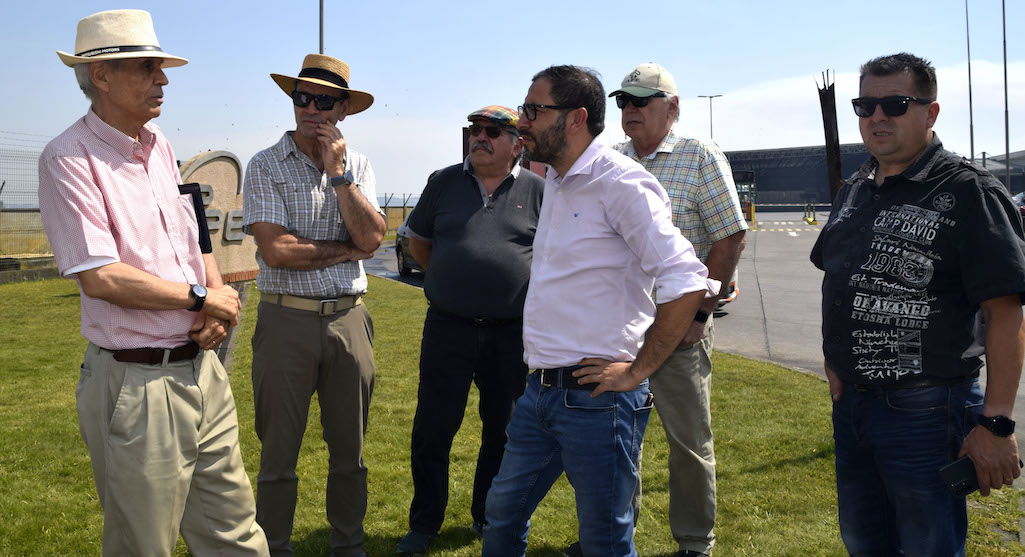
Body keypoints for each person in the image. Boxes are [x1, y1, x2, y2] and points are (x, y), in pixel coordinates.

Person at [38, 9, 268, 556]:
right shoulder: (68, 159)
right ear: (101, 76)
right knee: (145, 545)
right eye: (148, 67)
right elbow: (101, 276)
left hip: (200, 371)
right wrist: (200, 297)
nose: (163, 79)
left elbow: (192, 239)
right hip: (136, 384)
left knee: (236, 534)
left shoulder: (159, 146)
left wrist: (213, 305)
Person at [481, 65, 718, 557]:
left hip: (597, 400)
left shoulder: (621, 183)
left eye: (533, 109)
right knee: (500, 514)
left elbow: (687, 278)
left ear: (576, 118)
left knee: (605, 540)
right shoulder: (559, 182)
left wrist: (638, 370)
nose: (522, 121)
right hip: (539, 392)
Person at [811, 52, 1025, 555]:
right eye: (866, 105)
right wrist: (834, 358)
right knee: (864, 540)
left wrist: (996, 422)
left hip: (926, 410)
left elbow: (1005, 313)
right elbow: (840, 278)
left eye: (894, 104)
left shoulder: (970, 192)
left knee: (928, 545)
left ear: (929, 112)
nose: (877, 117)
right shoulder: (856, 190)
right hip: (853, 406)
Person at [590, 62, 747, 557]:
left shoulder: (699, 155)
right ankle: (616, 537)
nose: (630, 109)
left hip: (679, 328)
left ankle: (695, 543)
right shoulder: (611, 159)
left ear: (672, 108)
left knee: (687, 442)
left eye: (641, 100)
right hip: (621, 328)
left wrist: (700, 314)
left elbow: (729, 234)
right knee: (616, 442)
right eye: (623, 101)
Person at [241, 54, 386, 557]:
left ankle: (348, 546)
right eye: (302, 97)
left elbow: (374, 235)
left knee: (351, 452)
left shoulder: (359, 166)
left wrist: (339, 173)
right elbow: (276, 250)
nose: (310, 108)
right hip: (286, 320)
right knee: (278, 452)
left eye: (324, 100)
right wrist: (348, 250)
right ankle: (274, 546)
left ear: (343, 109)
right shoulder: (263, 164)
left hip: (348, 319)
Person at [396, 106, 544, 554]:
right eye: (475, 130)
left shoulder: (540, 191)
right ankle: (424, 524)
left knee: (503, 431)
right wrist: (451, 279)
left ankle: (487, 515)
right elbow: (419, 243)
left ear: (516, 143)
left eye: (492, 132)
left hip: (510, 334)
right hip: (448, 328)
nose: (480, 137)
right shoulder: (442, 181)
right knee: (433, 430)